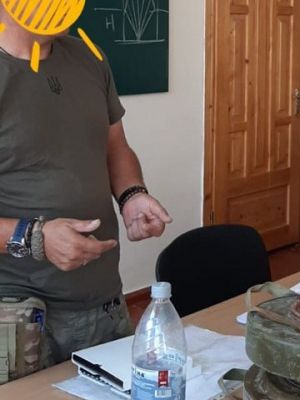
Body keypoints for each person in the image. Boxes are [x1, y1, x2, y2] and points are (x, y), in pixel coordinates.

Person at [0, 8, 172, 368]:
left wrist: (132, 195)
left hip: (104, 303)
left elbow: (115, 148)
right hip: (16, 315)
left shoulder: (89, 57)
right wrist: (35, 237)